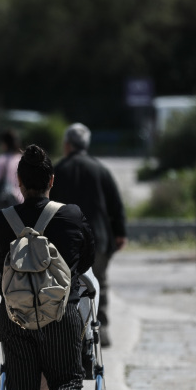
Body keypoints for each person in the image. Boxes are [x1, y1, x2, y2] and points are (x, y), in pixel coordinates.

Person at [0, 144, 95, 390]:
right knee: (69, 377)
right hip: (62, 312)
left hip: (16, 315)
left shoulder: (3, 220)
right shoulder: (72, 215)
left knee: (21, 386)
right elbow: (87, 259)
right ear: (51, 179)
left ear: (19, 182)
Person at [50, 123, 126, 347]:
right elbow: (116, 205)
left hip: (66, 242)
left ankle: (70, 333)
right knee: (98, 283)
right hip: (99, 239)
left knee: (67, 285)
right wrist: (120, 232)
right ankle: (101, 331)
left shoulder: (58, 171)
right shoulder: (100, 170)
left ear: (67, 145)